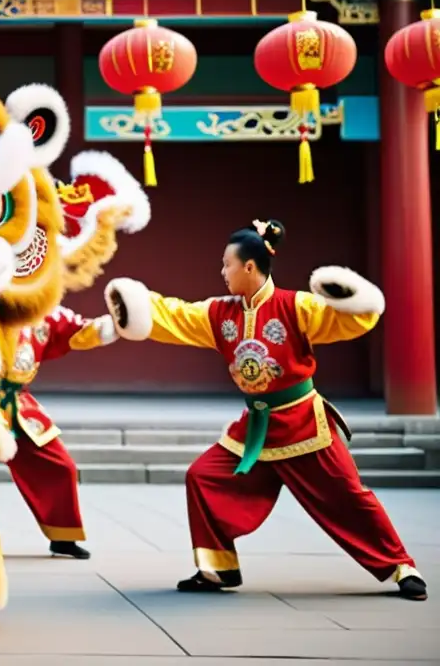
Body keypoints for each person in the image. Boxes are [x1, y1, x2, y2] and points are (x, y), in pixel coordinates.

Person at [102, 219, 427, 601]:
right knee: (203, 477)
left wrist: (354, 299)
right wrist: (138, 307)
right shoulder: (220, 313)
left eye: (227, 264)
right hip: (254, 427)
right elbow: (176, 315)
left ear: (249, 267)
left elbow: (348, 319)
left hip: (303, 423)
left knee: (349, 497)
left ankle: (401, 566)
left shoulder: (297, 306)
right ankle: (218, 567)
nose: (222, 272)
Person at [0, 307, 118, 559]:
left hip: (15, 404)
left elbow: (81, 329)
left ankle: (63, 537)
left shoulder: (42, 312)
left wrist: (119, 320)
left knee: (61, 466)